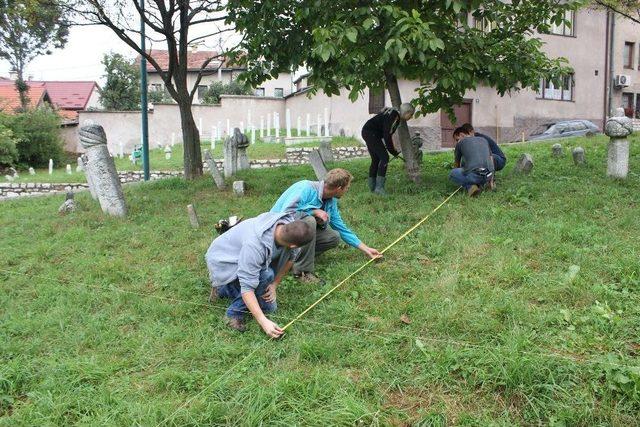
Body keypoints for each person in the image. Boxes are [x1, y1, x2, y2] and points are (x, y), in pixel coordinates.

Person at [205, 212, 313, 337]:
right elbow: (247, 287)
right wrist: (263, 322)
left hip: (247, 258)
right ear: (293, 244)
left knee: (269, 308)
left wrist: (274, 285)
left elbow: (291, 258)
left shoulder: (287, 229)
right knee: (267, 275)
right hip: (224, 261)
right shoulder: (255, 246)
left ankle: (225, 290)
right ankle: (233, 314)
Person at [271, 168, 382, 284]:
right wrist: (313, 212)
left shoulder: (330, 200)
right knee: (309, 221)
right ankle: (302, 272)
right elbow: (284, 215)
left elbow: (340, 227)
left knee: (333, 237)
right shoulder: (304, 188)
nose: (347, 191)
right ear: (339, 188)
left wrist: (366, 249)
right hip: (277, 234)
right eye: (347, 188)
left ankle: (292, 260)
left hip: (297, 236)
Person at [361, 103, 415, 195]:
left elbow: (386, 133)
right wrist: (392, 151)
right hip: (371, 133)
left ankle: (372, 187)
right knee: (385, 158)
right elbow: (387, 136)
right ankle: (379, 188)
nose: (411, 117)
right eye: (411, 114)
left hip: (368, 132)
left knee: (376, 159)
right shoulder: (394, 116)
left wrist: (392, 150)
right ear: (407, 112)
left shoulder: (394, 114)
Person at [449, 127, 495, 197]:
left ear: (461, 134)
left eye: (457, 139)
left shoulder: (460, 143)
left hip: (474, 176)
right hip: (488, 176)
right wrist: (491, 180)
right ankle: (483, 184)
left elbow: (456, 165)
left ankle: (470, 187)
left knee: (452, 173)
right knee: (469, 168)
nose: (457, 142)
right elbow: (491, 161)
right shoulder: (483, 140)